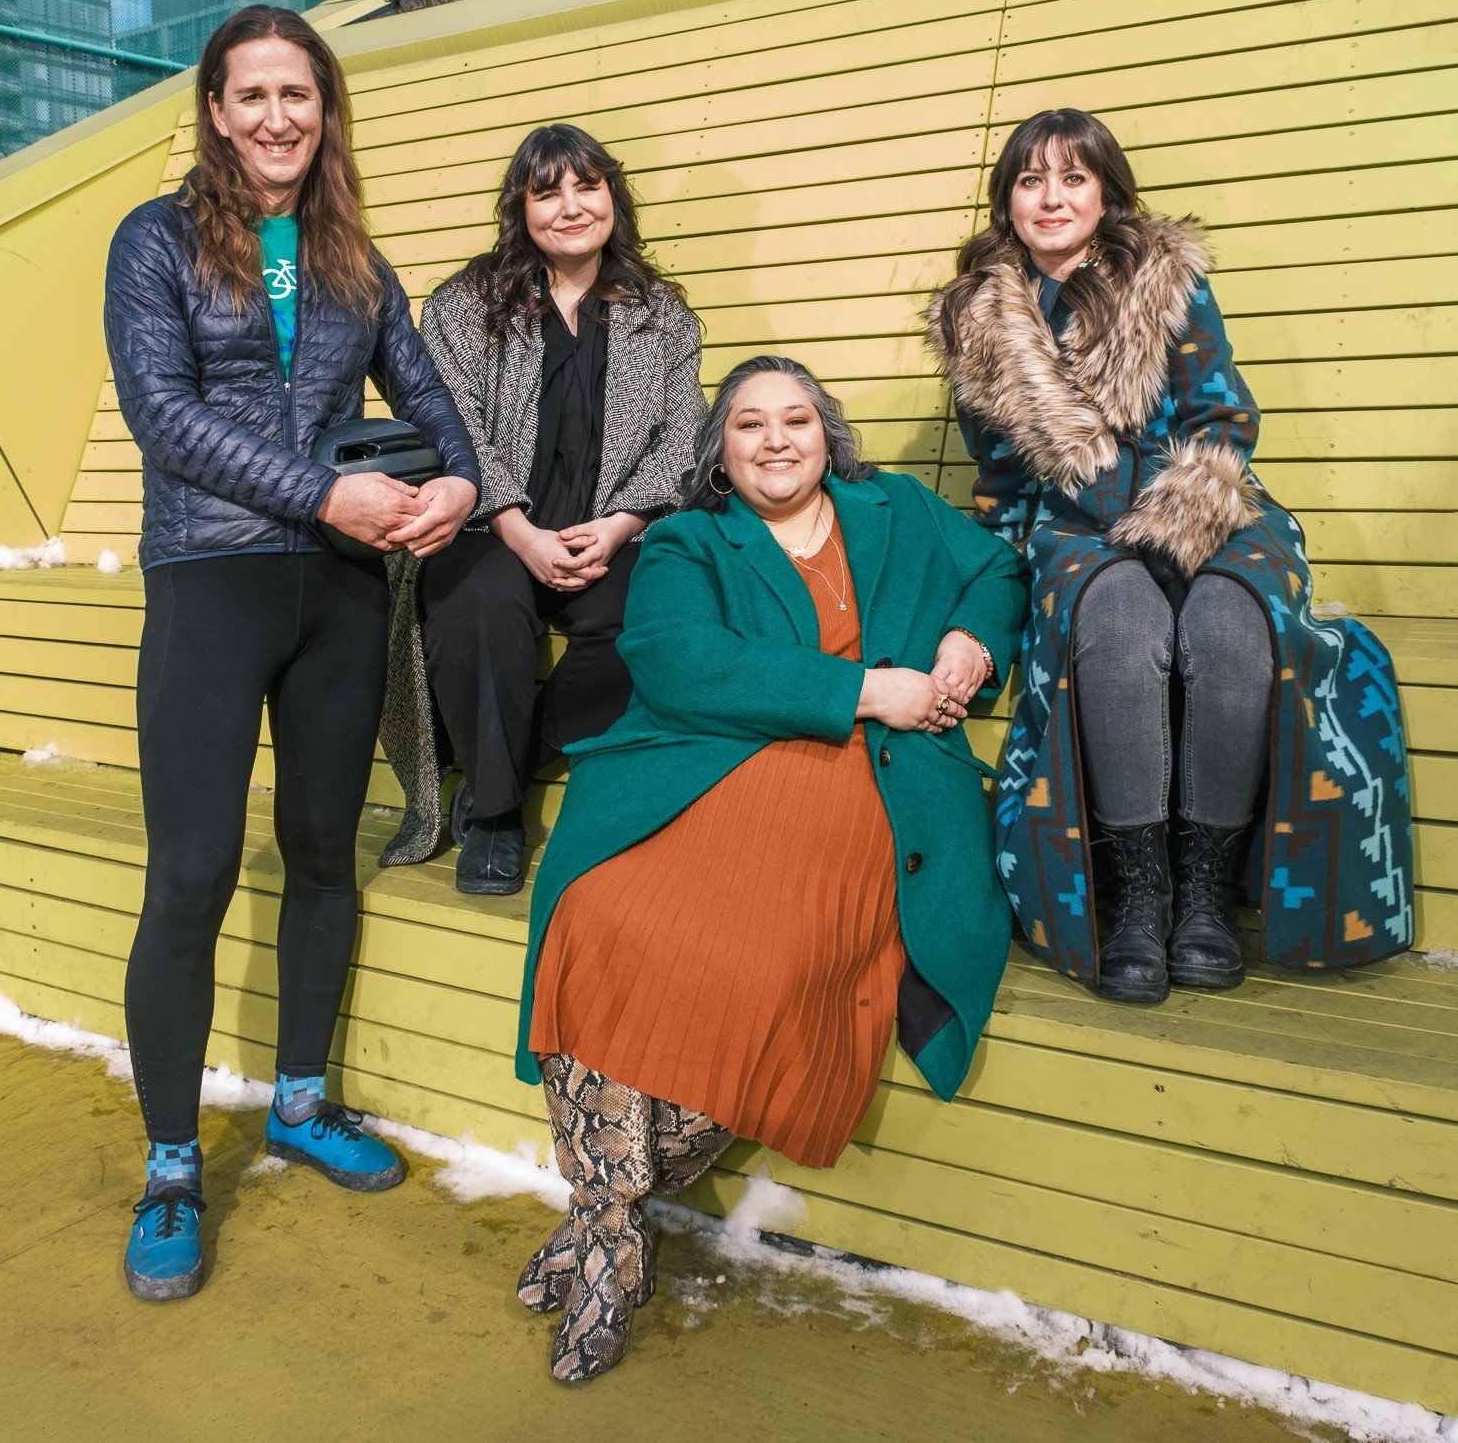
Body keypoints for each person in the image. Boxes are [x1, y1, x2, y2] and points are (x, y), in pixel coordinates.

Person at [510, 355, 1029, 1382]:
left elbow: (998, 570)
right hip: (703, 776)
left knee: (759, 962)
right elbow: (679, 660)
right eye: (749, 424)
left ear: (826, 435)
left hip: (862, 795)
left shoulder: (897, 510)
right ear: (721, 451)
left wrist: (970, 641)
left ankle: (600, 1228)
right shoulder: (688, 542)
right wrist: (866, 687)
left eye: (795, 419)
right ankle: (614, 1229)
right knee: (599, 914)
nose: (775, 438)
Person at [104, 5, 480, 1301]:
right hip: (209, 580)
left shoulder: (351, 262)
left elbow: (433, 407)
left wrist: (461, 490)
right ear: (215, 108)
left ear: (324, 112)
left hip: (337, 595)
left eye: (297, 95)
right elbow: (164, 415)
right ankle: (167, 1166)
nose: (276, 116)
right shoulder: (150, 240)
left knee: (324, 850)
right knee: (192, 872)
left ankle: (300, 1100)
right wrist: (323, 495)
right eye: (252, 93)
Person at [929, 107, 1413, 1005]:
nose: (1051, 197)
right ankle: (1142, 896)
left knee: (1229, 627)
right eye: (1029, 179)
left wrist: (1165, 523)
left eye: (1072, 177)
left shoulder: (1164, 279)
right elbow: (1001, 486)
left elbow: (1222, 422)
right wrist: (981, 603)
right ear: (1006, 200)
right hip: (1069, 527)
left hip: (1205, 502)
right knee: (1117, 620)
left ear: (1106, 189)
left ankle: (1204, 895)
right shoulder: (976, 319)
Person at [377, 124, 705, 894]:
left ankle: (511, 760)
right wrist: (517, 530)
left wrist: (623, 523)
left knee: (656, 619)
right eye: (547, 191)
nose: (570, 206)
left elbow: (682, 436)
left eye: (587, 187)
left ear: (612, 199)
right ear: (519, 209)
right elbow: (448, 425)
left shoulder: (660, 313)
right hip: (490, 524)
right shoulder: (465, 306)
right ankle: (493, 814)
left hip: (614, 526)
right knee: (475, 605)